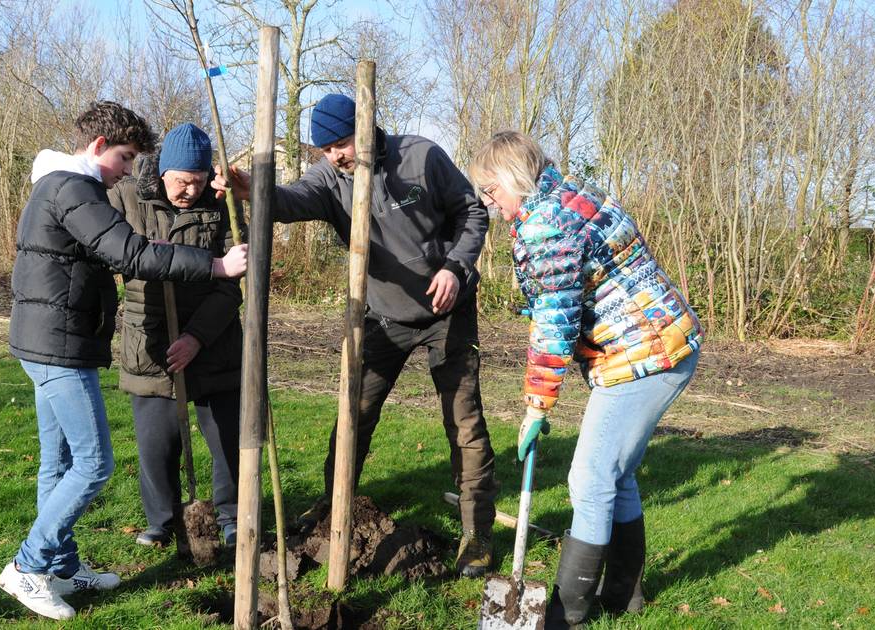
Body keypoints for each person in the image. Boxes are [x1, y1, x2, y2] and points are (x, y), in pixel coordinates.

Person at [215, 93, 497, 577]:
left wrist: (455, 266)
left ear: (365, 130)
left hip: (447, 312)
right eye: (326, 149)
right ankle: (332, 509)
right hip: (382, 318)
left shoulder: (421, 156)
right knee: (353, 414)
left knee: (464, 422)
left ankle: (477, 535)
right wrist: (254, 189)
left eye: (342, 144)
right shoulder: (330, 177)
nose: (336, 156)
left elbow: (473, 213)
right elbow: (291, 200)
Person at [0, 101, 248, 621]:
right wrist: (218, 265)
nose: (129, 169)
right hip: (58, 346)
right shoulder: (73, 189)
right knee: (93, 463)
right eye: (126, 156)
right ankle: (28, 565)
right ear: (97, 148)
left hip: (51, 340)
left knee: (60, 463)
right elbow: (131, 253)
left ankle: (61, 566)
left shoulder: (62, 186)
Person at [468, 131, 702, 628]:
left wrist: (536, 406)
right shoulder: (566, 193)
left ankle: (568, 613)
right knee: (617, 475)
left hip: (643, 355)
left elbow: (555, 322)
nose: (491, 205)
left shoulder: (547, 223)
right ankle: (625, 596)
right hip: (661, 343)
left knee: (589, 478)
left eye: (491, 192)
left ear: (513, 178)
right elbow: (554, 298)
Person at [107, 123, 242, 550]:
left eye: (197, 182)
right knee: (156, 443)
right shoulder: (126, 196)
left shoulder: (222, 206)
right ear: (163, 171)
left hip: (213, 339)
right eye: (181, 181)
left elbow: (230, 282)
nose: (188, 190)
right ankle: (161, 522)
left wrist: (196, 338)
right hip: (149, 340)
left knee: (226, 440)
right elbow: (106, 245)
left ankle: (232, 515)